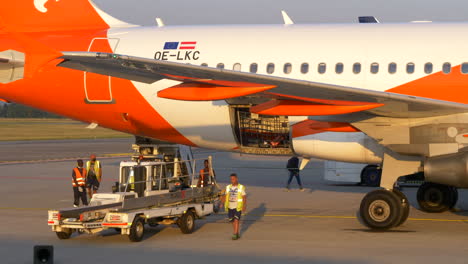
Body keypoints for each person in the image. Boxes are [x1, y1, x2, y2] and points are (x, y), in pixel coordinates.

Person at [221, 173, 247, 240]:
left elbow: (244, 197)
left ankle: (235, 233)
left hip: (237, 206)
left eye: (233, 179)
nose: (232, 180)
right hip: (230, 206)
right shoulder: (228, 187)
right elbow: (225, 196)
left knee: (236, 219)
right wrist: (222, 203)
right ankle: (237, 232)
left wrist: (244, 205)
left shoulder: (240, 187)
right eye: (231, 179)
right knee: (232, 220)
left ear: (236, 179)